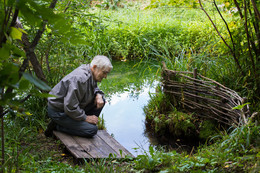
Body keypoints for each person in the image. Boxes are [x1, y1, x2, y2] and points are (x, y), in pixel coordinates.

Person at [44, 55, 113, 137]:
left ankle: (79, 124)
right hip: (59, 112)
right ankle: (57, 126)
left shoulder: (90, 71)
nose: (105, 76)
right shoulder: (80, 78)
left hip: (69, 109)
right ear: (94, 67)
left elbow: (94, 88)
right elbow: (70, 107)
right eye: (104, 72)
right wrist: (85, 118)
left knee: (102, 101)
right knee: (92, 130)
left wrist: (98, 95)